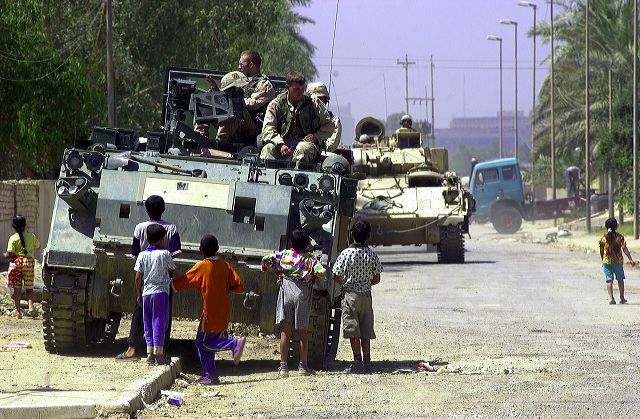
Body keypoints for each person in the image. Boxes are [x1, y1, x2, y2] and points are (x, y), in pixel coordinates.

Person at [172, 234, 247, 385]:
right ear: (218, 249)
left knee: (202, 343)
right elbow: (239, 287)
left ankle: (233, 343)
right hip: (224, 311)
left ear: (200, 249)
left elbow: (181, 282)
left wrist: (166, 283)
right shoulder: (225, 265)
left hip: (210, 312)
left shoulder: (201, 266)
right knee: (209, 342)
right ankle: (211, 376)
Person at [116, 195, 181, 360]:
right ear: (164, 209)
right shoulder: (171, 228)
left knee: (139, 311)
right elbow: (174, 254)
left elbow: (135, 253)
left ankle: (132, 348)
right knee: (163, 314)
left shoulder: (139, 228)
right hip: (164, 278)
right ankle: (162, 350)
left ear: (146, 210)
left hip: (145, 275)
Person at [261, 228, 327, 377]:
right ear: (307, 244)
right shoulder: (310, 259)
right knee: (303, 332)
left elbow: (266, 260)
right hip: (302, 294)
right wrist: (315, 276)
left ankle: (283, 367)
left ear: (292, 242)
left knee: (285, 331)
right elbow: (322, 272)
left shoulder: (284, 254)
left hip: (286, 291)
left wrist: (276, 271)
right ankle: (303, 366)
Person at [332, 219, 383, 374]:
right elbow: (377, 278)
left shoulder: (346, 254)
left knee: (353, 330)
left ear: (351, 234)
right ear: (368, 236)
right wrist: (365, 284)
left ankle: (357, 362)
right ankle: (368, 361)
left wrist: (345, 283)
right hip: (366, 296)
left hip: (350, 296)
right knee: (365, 329)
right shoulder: (371, 254)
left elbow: (335, 275)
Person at [195, 50, 275, 147]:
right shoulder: (240, 79)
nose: (239, 67)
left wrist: (229, 100)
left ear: (251, 65)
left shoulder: (264, 84)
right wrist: (217, 92)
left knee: (234, 107)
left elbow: (253, 104)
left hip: (252, 127)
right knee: (204, 105)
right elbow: (229, 97)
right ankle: (200, 140)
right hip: (236, 122)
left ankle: (220, 144)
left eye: (242, 64)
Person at [260, 71, 334, 162]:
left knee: (302, 148)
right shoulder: (276, 104)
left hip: (306, 144)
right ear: (287, 88)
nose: (300, 92)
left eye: (302, 89)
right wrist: (280, 144)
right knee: (268, 149)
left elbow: (329, 126)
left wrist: (316, 136)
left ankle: (299, 175)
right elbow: (268, 128)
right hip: (282, 143)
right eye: (296, 89)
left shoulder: (314, 103)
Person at [134, 224, 175, 365]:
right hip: (161, 293)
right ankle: (159, 356)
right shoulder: (165, 254)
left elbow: (138, 277)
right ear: (162, 239)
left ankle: (149, 354)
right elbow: (172, 267)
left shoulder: (142, 255)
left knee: (148, 323)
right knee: (159, 322)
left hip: (146, 294)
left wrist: (139, 294)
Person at [3, 215, 40, 319]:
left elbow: (9, 254)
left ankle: (18, 312)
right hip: (28, 263)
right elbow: (38, 246)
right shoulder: (31, 236)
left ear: (13, 226)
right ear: (25, 225)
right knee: (29, 288)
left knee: (17, 289)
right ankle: (31, 306)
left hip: (16, 263)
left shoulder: (13, 238)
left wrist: (5, 255)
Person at [599, 217, 635, 305]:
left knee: (609, 280)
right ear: (616, 226)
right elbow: (624, 248)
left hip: (607, 262)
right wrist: (630, 259)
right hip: (618, 262)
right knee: (620, 280)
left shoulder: (603, 238)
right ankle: (622, 298)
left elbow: (601, 251)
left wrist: (603, 260)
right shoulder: (620, 237)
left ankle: (611, 298)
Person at [306, 82, 341, 152]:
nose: (317, 102)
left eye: (320, 99)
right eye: (314, 99)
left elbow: (330, 146)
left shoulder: (333, 121)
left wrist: (316, 139)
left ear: (326, 100)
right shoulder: (300, 115)